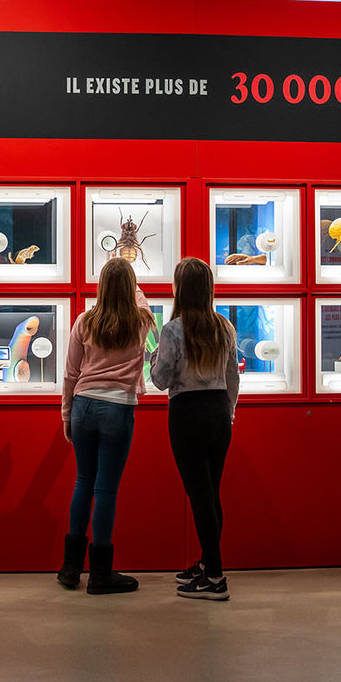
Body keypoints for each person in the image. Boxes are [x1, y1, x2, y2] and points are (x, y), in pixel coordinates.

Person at [57, 257, 154, 595]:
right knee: (106, 489)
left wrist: (67, 415)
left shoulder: (85, 321)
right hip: (118, 408)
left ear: (99, 287)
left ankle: (70, 568)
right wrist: (128, 283)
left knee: (83, 482)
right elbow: (139, 297)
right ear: (130, 288)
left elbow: (70, 374)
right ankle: (101, 573)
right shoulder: (140, 319)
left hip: (84, 404)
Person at [150, 257, 239, 601]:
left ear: (180, 289)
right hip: (218, 409)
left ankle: (215, 576)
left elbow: (159, 381)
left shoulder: (174, 330)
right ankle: (207, 564)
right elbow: (233, 377)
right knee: (211, 492)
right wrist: (228, 411)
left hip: (187, 412)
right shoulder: (224, 327)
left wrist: (156, 356)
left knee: (199, 494)